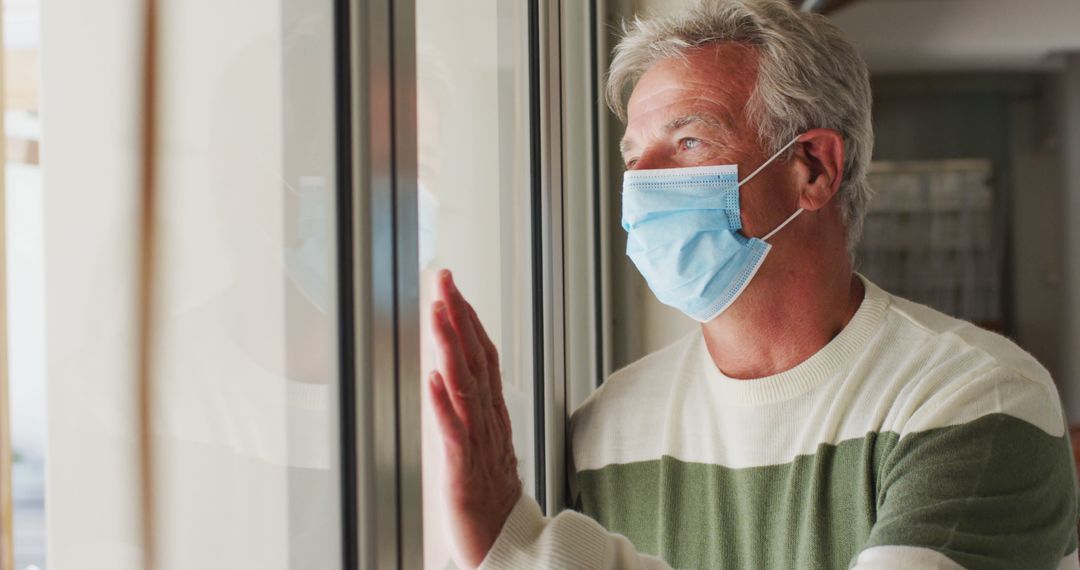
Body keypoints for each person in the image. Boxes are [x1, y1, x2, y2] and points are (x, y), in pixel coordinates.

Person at [425, 0, 1080, 568]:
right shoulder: (607, 427)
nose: (640, 184)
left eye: (687, 143)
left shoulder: (976, 400)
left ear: (813, 167)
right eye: (632, 157)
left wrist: (522, 550)